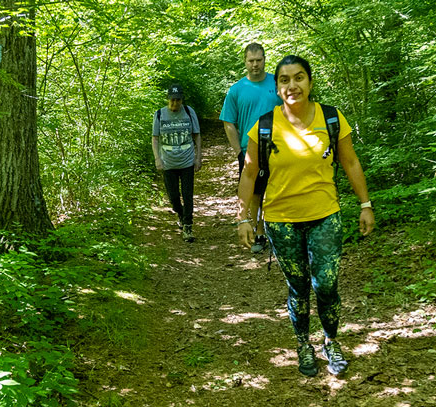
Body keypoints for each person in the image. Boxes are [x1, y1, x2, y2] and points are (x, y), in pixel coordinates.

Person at [236, 55, 375, 377]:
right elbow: (249, 172)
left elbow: (351, 163)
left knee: (326, 284)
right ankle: (303, 344)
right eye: (284, 80)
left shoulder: (331, 118)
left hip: (325, 215)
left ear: (310, 82)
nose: (292, 85)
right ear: (277, 87)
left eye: (299, 78)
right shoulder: (265, 126)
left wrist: (365, 204)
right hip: (281, 220)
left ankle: (331, 340)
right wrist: (244, 217)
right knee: (298, 287)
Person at [220, 42, 281, 253]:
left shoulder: (277, 82)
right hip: (250, 150)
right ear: (245, 62)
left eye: (259, 60)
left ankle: (277, 232)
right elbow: (228, 122)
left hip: (280, 148)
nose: (255, 64)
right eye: (251, 61)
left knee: (276, 192)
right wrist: (238, 151)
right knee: (255, 194)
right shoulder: (236, 90)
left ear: (265, 59)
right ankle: (259, 233)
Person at [153, 83, 202, 242]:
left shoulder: (189, 112)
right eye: (172, 100)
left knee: (188, 195)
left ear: (182, 100)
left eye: (178, 100)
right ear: (168, 99)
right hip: (168, 163)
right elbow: (155, 138)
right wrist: (157, 158)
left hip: (187, 161)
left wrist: (198, 157)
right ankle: (180, 214)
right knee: (173, 197)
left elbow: (197, 135)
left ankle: (188, 226)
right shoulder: (160, 114)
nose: (175, 104)